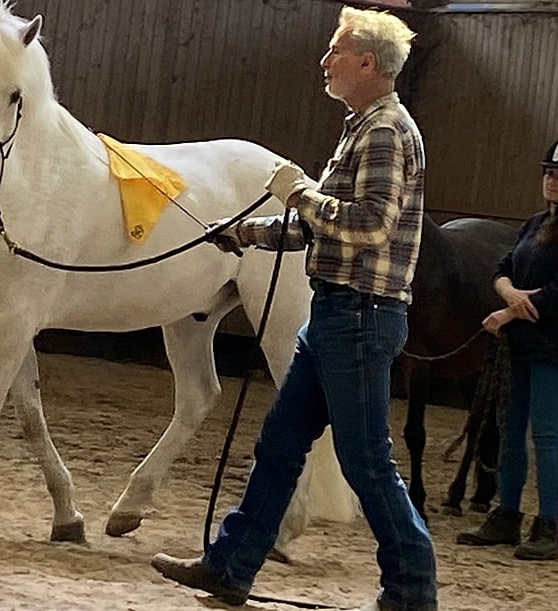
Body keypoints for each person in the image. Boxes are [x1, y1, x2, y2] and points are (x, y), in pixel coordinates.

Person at [151, 8, 437, 611]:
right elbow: (324, 227)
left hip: (359, 316)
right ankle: (231, 567)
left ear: (366, 62)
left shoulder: (385, 132)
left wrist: (298, 194)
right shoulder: (362, 126)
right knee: (281, 446)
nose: (325, 61)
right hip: (336, 314)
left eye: (336, 51)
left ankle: (413, 592)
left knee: (367, 464)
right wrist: (249, 234)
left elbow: (369, 225)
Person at [457, 137, 558, 561]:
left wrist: (510, 312)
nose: (552, 181)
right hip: (523, 342)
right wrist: (507, 291)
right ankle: (506, 514)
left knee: (544, 432)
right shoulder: (534, 225)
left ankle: (547, 525)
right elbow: (503, 268)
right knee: (511, 431)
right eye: (549, 173)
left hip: (557, 343)